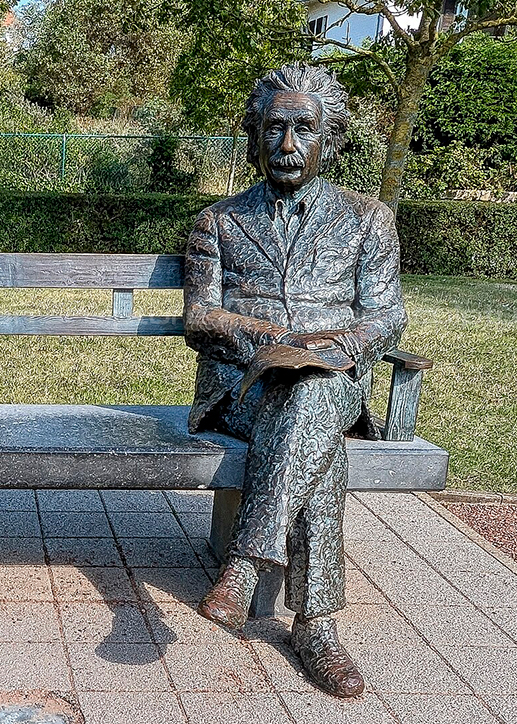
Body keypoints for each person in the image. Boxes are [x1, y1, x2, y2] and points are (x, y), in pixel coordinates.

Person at [183, 63, 406, 698]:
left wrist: (328, 348)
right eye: (273, 129)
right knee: (317, 443)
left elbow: (386, 317)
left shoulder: (368, 221)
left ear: (329, 140)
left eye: (303, 130)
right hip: (241, 392)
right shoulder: (218, 222)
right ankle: (317, 628)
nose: (287, 145)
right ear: (253, 139)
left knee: (310, 393)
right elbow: (200, 315)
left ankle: (247, 563)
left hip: (329, 381)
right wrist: (270, 343)